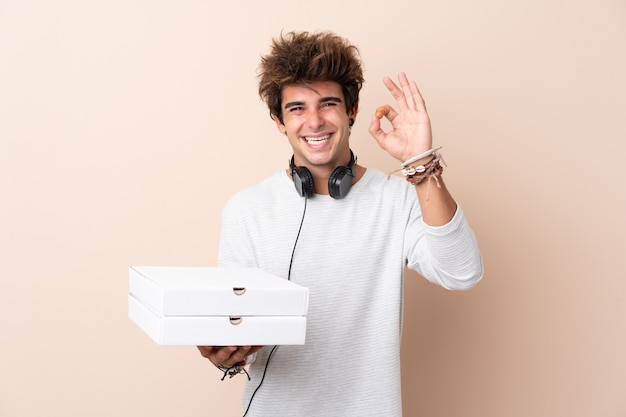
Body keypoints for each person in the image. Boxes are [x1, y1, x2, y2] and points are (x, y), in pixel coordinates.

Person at [197, 31, 483, 416]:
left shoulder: (397, 198)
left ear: (352, 109)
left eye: (328, 103)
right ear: (279, 121)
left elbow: (462, 273)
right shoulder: (246, 209)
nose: (314, 121)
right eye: (296, 108)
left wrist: (421, 164)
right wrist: (225, 354)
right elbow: (235, 331)